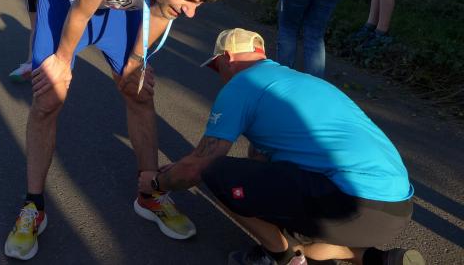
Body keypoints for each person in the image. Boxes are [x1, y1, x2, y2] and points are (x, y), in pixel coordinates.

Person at [3, 0, 235, 260]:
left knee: (138, 91)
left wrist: (136, 61)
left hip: (121, 2)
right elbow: (80, 13)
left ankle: (150, 194)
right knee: (49, 97)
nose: (190, 13)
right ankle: (33, 206)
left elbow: (163, 11)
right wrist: (61, 62)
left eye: (198, 4)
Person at [139, 28, 422, 265]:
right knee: (300, 235)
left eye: (217, 67)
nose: (219, 75)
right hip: (396, 210)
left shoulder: (241, 84)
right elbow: (264, 161)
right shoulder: (301, 81)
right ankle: (377, 259)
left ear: (227, 58)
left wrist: (156, 184)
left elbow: (198, 167)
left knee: (217, 172)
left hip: (348, 203)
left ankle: (280, 257)